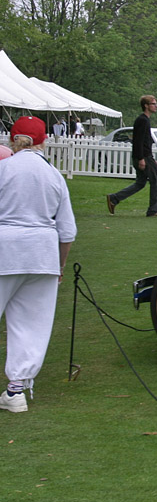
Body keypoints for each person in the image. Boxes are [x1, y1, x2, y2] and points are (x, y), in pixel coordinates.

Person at [0, 116, 77, 413]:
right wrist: (60, 265)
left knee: (28, 323)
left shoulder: (4, 168)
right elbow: (67, 230)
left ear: (13, 139)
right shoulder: (54, 175)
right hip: (42, 253)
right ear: (44, 141)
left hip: (7, 246)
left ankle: (16, 391)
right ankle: (16, 390)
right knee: (31, 325)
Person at [106, 95, 157, 217]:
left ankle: (114, 198)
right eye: (153, 104)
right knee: (156, 183)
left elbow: (145, 142)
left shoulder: (144, 120)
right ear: (146, 106)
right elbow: (138, 141)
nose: (156, 106)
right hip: (143, 157)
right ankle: (153, 210)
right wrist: (142, 159)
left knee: (140, 183)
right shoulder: (143, 120)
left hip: (145, 156)